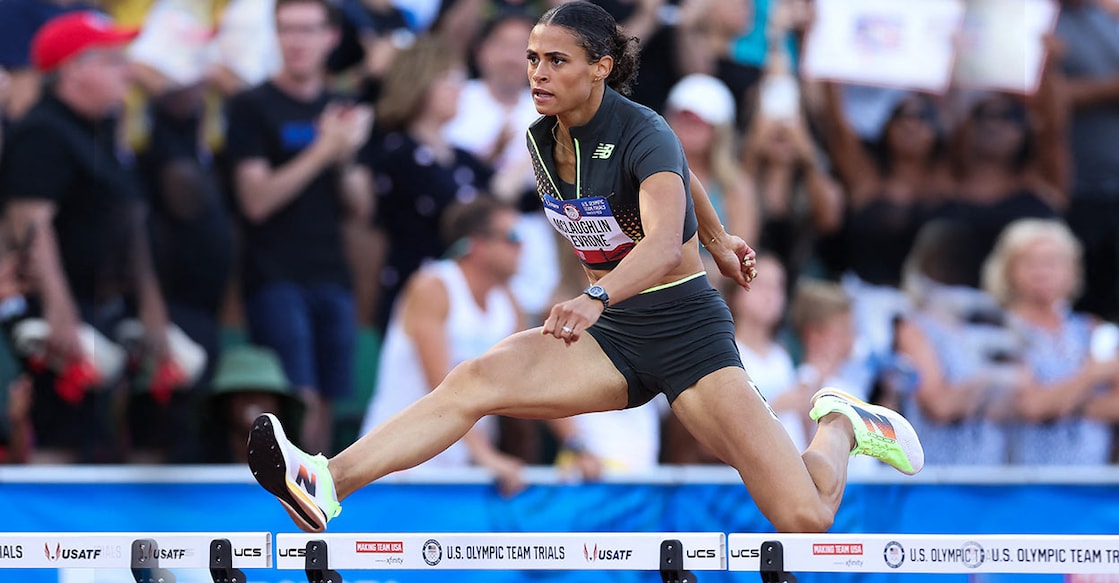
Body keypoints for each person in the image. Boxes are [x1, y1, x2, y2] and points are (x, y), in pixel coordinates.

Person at [246, 1, 924, 534]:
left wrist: (604, 290)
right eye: (534, 58)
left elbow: (660, 241)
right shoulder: (540, 137)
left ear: (600, 66)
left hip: (685, 332)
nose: (536, 72)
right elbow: (680, 181)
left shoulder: (642, 129)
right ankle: (325, 481)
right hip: (614, 335)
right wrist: (717, 236)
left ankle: (840, 423)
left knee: (803, 515)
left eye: (555, 60)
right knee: (476, 378)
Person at [0, 11, 173, 463]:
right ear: (74, 69)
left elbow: (127, 221)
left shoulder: (99, 131)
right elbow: (31, 227)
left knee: (98, 439)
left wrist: (150, 305)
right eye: (114, 60)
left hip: (103, 310)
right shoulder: (42, 131)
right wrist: (60, 312)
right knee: (61, 437)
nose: (128, 71)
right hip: (61, 316)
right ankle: (38, 536)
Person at [225, 0, 374, 456]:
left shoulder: (341, 107)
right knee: (295, 399)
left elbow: (362, 207)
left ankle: (314, 505)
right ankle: (287, 501)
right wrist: (324, 150)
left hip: (331, 271)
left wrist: (345, 157)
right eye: (286, 29)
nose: (296, 41)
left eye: (307, 30)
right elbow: (256, 201)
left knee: (327, 400)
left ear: (330, 37)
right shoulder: (251, 106)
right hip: (274, 275)